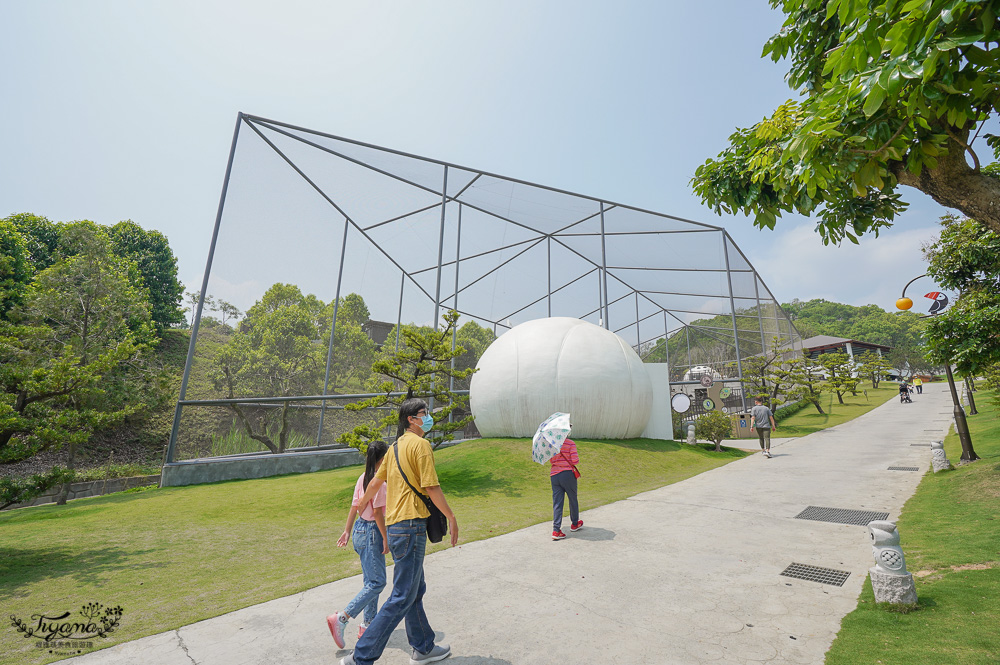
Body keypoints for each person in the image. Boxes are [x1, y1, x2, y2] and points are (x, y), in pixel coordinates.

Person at [342, 398, 459, 665]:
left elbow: (374, 483)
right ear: (411, 419)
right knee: (403, 594)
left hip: (396, 528)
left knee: (415, 588)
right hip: (411, 526)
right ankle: (361, 656)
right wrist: (450, 516)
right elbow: (431, 487)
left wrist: (362, 503)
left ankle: (423, 647)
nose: (427, 417)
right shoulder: (421, 445)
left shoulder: (394, 448)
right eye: (423, 413)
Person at [327, 441, 390, 648]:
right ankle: (342, 618)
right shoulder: (378, 482)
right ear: (382, 459)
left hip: (360, 531)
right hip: (372, 532)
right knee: (377, 583)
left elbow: (355, 507)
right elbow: (378, 513)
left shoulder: (362, 478)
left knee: (370, 582)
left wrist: (347, 530)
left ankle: (368, 624)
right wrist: (386, 537)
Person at [550, 433, 581, 540]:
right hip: (567, 474)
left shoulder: (553, 445)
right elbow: (575, 460)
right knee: (572, 498)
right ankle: (575, 523)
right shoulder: (570, 443)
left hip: (554, 475)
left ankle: (556, 530)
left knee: (557, 502)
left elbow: (551, 461)